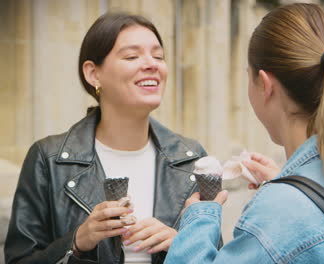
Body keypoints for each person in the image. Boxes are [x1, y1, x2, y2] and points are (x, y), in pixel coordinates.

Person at [164, 3, 324, 263]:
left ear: (265, 85)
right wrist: (294, 186)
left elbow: (292, 228)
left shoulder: (276, 215)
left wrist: (199, 218)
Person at [5, 12, 206, 264]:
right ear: (93, 74)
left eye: (158, 56)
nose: (151, 64)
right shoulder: (49, 159)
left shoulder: (191, 159)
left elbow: (218, 255)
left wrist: (180, 244)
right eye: (132, 56)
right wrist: (77, 241)